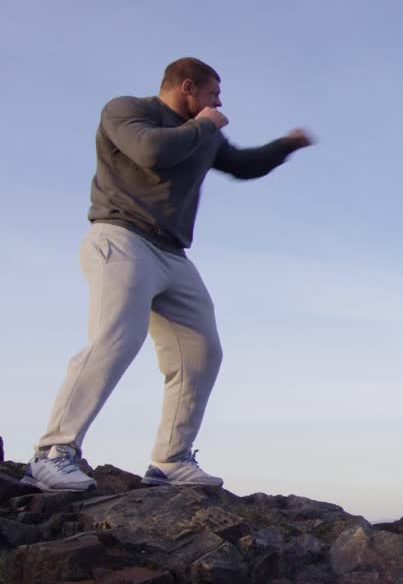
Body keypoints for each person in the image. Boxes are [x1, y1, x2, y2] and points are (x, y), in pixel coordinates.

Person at [23, 57, 313, 492]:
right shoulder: (126, 110)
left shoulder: (203, 134)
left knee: (201, 350)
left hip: (172, 253)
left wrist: (287, 144)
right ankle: (53, 452)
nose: (220, 104)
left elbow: (243, 165)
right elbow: (152, 151)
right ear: (187, 87)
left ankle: (170, 460)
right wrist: (206, 126)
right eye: (214, 94)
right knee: (117, 339)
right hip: (120, 237)